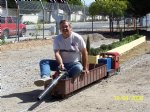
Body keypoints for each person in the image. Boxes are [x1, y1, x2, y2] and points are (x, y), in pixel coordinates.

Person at [34, 20, 89, 86]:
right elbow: (57, 53)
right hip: (62, 65)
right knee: (43, 62)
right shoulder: (57, 39)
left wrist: (85, 68)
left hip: (74, 64)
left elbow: (84, 52)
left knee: (79, 68)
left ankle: (66, 76)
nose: (64, 28)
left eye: (66, 26)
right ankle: (45, 77)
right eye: (62, 27)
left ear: (70, 28)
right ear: (60, 29)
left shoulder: (77, 38)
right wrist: (61, 64)